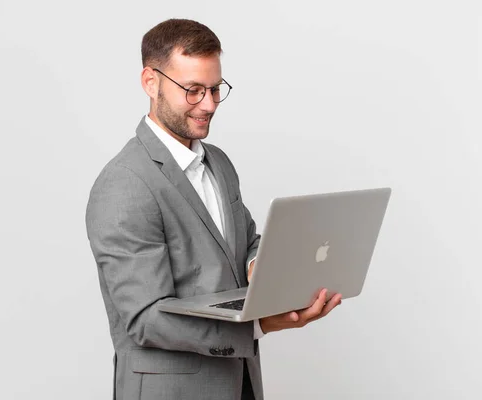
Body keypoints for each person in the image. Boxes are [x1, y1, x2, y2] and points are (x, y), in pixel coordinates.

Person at [85, 18, 342, 400]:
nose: (208, 104)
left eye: (215, 89)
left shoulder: (218, 163)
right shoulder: (124, 184)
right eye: (192, 90)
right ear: (150, 83)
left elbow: (246, 241)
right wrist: (258, 325)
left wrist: (262, 268)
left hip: (240, 384)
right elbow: (145, 319)